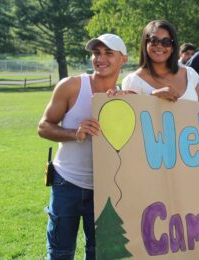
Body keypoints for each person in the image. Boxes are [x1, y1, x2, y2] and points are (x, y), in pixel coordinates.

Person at [37, 33, 128, 259]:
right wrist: (75, 133)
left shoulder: (126, 97)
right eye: (96, 53)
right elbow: (43, 127)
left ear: (123, 59)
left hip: (105, 189)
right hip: (66, 182)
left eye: (108, 53)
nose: (100, 58)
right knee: (60, 252)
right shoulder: (72, 86)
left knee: (97, 253)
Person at [117, 20, 199, 102]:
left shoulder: (190, 74)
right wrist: (153, 97)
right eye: (154, 41)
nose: (159, 46)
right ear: (145, 43)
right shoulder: (132, 82)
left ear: (173, 46)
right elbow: (133, 114)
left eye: (166, 42)